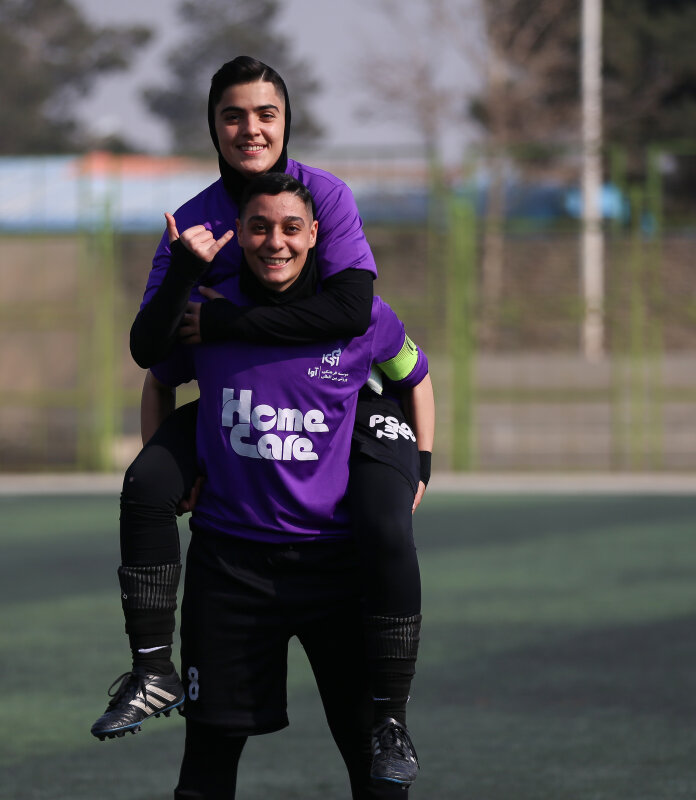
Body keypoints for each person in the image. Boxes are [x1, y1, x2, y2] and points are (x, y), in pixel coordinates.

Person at [91, 57, 431, 785]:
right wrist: (188, 272)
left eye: (265, 114)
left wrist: (226, 324)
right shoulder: (192, 223)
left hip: (337, 409)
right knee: (146, 484)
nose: (250, 128)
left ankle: (392, 715)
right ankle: (150, 669)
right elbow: (151, 354)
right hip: (233, 435)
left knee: (385, 525)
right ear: (213, 126)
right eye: (233, 115)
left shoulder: (325, 195)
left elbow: (352, 312)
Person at [154, 173, 431, 798]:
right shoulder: (206, 312)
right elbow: (157, 376)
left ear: (314, 236)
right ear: (238, 234)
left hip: (335, 567)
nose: (274, 241)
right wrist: (171, 465)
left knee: (374, 763)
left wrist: (423, 460)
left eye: (290, 228)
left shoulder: (361, 318)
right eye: (258, 227)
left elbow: (416, 375)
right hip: (229, 567)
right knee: (206, 762)